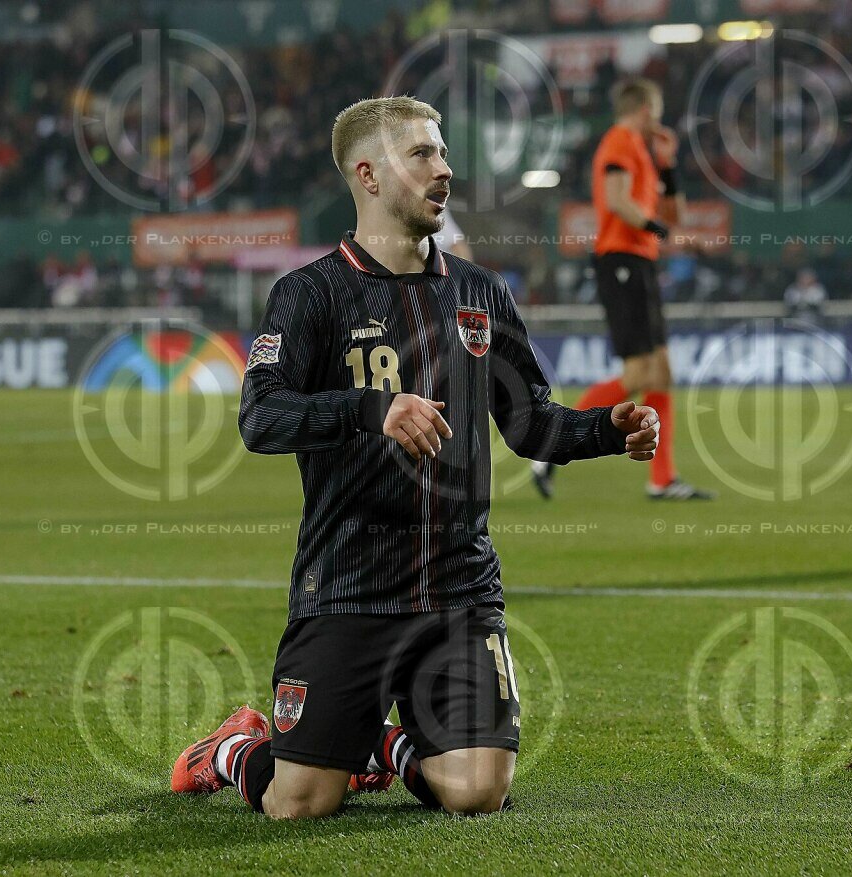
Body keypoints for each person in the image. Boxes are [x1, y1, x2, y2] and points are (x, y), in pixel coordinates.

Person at [171, 96, 660, 819]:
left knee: (475, 792)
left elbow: (527, 423)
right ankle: (232, 748)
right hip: (348, 586)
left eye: (443, 153)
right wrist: (372, 409)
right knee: (298, 804)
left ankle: (387, 746)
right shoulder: (310, 294)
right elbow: (260, 416)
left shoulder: (479, 293)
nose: (445, 170)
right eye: (423, 155)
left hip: (459, 591)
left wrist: (604, 431)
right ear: (368, 174)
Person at [531, 79, 713, 501]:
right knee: (638, 375)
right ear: (646, 109)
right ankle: (550, 441)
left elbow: (676, 211)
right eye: (659, 110)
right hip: (621, 261)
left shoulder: (644, 155)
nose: (660, 119)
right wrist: (661, 231)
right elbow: (616, 202)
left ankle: (662, 479)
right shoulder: (619, 141)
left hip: (641, 263)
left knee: (661, 374)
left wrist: (668, 164)